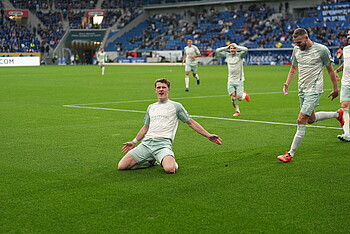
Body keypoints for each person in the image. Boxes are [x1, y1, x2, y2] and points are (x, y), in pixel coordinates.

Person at [118, 78, 222, 173]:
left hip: (163, 144)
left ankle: (167, 160)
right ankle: (150, 161)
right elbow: (146, 127)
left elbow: (191, 122)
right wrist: (134, 142)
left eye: (164, 87)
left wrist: (208, 135)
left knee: (170, 169)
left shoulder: (176, 106)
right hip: (146, 144)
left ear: (168, 90)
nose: (161, 90)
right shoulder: (151, 107)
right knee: (122, 166)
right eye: (158, 87)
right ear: (155, 90)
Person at [277, 28, 342, 163]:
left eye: (299, 42)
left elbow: (330, 70)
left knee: (301, 120)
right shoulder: (296, 50)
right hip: (302, 89)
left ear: (306, 37)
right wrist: (287, 83)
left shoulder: (322, 50)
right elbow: (293, 68)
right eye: (295, 43)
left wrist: (336, 89)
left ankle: (290, 154)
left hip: (314, 89)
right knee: (311, 119)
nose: (297, 45)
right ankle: (338, 115)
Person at [216, 43, 251, 117]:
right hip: (230, 80)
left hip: (239, 80)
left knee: (239, 98)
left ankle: (244, 95)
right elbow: (217, 50)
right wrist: (226, 47)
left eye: (234, 48)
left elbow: (246, 49)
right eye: (231, 48)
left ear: (236, 49)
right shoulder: (227, 55)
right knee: (233, 98)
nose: (232, 50)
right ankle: (237, 111)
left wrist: (236, 46)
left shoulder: (240, 56)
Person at [334, 29, 350, 142]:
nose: (348, 36)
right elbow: (346, 64)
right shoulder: (346, 49)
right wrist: (337, 71)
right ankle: (347, 133)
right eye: (348, 34)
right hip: (346, 82)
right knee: (344, 107)